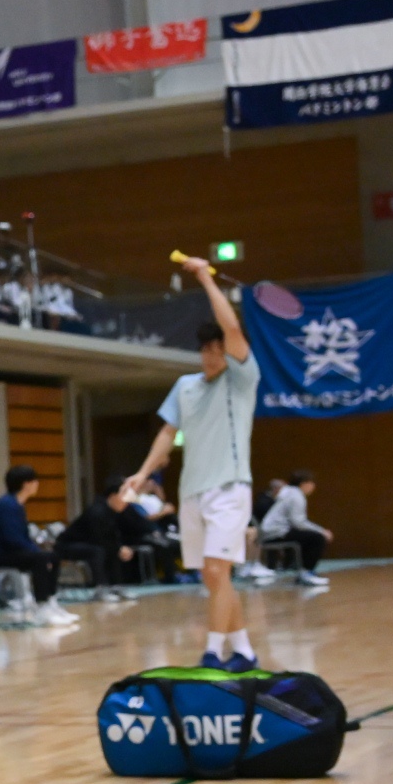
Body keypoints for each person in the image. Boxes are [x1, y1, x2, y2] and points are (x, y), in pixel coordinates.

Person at [123, 258, 259, 667]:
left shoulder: (242, 380)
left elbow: (231, 327)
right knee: (213, 576)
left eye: (218, 349)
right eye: (206, 350)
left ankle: (212, 652)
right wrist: (143, 473)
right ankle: (245, 651)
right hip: (192, 494)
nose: (212, 356)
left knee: (217, 571)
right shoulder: (185, 387)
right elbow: (168, 433)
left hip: (230, 488)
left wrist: (203, 276)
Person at [0, 464, 79, 626]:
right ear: (26, 484)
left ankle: (51, 601)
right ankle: (42, 606)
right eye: (35, 481)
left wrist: (38, 552)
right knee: (41, 559)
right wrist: (37, 553)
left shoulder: (15, 504)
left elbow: (22, 538)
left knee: (52, 557)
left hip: (5, 552)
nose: (37, 484)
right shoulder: (7, 505)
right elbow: (13, 539)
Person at [262, 469, 331, 589]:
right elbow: (298, 522)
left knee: (308, 537)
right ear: (304, 484)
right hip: (276, 532)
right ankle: (307, 573)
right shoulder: (296, 496)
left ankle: (304, 572)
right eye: (311, 483)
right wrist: (322, 531)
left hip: (270, 531)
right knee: (317, 538)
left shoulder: (289, 492)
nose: (313, 486)